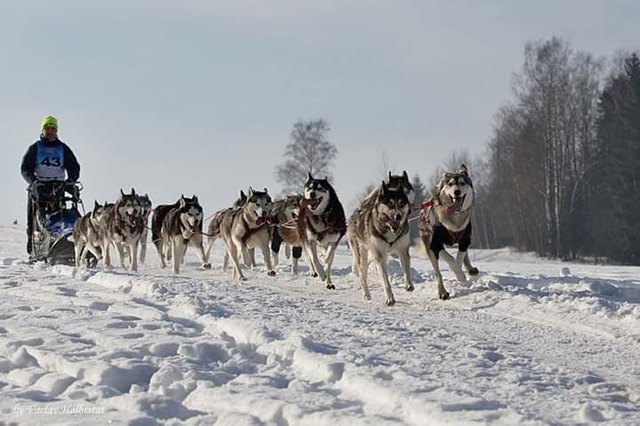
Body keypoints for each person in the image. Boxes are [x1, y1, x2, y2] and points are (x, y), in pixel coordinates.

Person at [20, 116, 80, 257]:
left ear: (56, 131)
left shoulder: (63, 148)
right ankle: (33, 246)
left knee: (58, 217)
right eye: (47, 128)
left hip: (58, 186)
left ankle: (60, 243)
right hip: (39, 187)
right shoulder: (35, 148)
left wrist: (71, 180)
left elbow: (74, 166)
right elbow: (25, 168)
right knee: (34, 218)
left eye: (53, 129)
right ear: (43, 130)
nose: (50, 131)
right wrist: (34, 182)